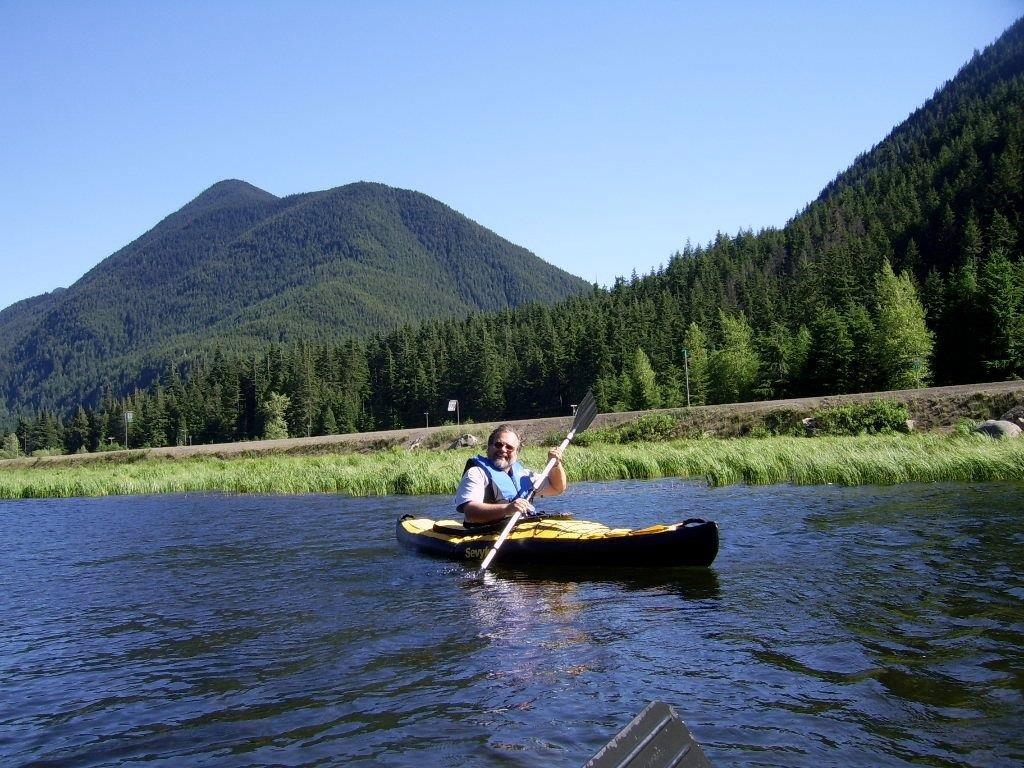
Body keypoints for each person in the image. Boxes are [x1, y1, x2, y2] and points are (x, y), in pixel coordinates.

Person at [455, 424, 567, 525]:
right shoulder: (476, 473)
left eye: (509, 447)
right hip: (485, 534)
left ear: (517, 453)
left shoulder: (524, 475)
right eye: (498, 445)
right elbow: (470, 512)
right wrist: (507, 509)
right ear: (488, 448)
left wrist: (555, 465)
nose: (503, 449)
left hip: (521, 530)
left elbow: (557, 488)